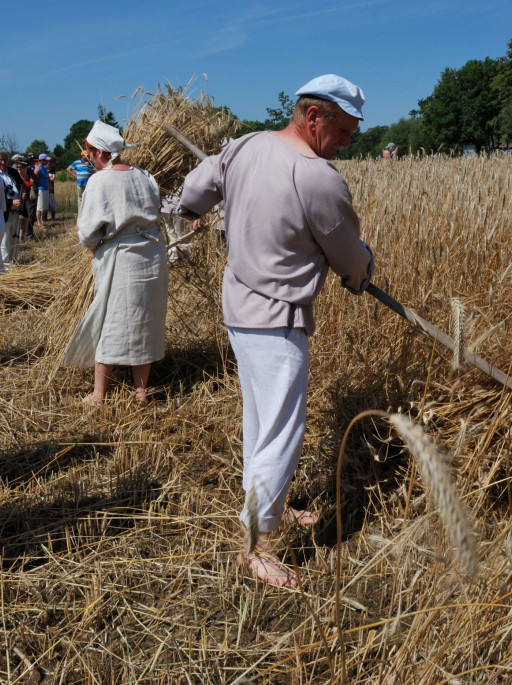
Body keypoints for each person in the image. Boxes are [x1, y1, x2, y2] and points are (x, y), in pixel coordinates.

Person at [178, 73, 374, 588]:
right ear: (315, 118)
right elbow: (349, 255)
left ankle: (274, 503)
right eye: (346, 130)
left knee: (260, 418)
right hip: (278, 318)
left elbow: (197, 189)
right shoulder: (317, 177)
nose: (349, 142)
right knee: (284, 427)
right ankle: (257, 544)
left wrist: (192, 209)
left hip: (239, 309)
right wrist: (361, 273)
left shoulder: (245, 145)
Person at [62, 120, 169, 407]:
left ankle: (99, 395)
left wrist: (96, 245)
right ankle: (141, 392)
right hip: (153, 256)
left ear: (97, 152)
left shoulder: (100, 180)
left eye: (89, 152)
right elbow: (157, 210)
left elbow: (87, 232)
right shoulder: (145, 175)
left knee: (109, 320)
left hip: (120, 259)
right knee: (144, 321)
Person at [0, 150, 23, 272]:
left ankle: (14, 261)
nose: (3, 162)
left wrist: (23, 194)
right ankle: (4, 265)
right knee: (5, 238)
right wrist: (11, 203)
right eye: (0, 160)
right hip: (5, 211)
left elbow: (21, 184)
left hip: (17, 210)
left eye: (5, 159)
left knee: (15, 236)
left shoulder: (12, 172)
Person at [34, 153, 50, 227]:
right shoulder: (38, 169)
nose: (47, 162)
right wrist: (35, 189)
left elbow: (47, 178)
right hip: (40, 189)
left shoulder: (44, 168)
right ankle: (38, 222)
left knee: (44, 207)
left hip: (46, 189)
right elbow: (34, 180)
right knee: (40, 207)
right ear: (41, 160)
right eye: (45, 160)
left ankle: (42, 220)